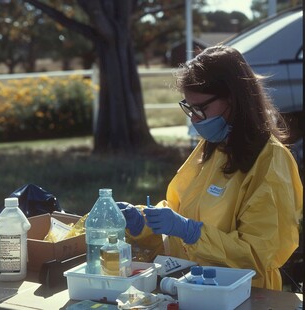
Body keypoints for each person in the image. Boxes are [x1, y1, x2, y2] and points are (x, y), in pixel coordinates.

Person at [117, 45, 302, 291]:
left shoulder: (271, 162)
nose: (194, 119)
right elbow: (179, 210)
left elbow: (258, 256)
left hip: (246, 296)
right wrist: (143, 222)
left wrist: (192, 232)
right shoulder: (213, 145)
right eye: (189, 108)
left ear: (234, 99)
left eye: (201, 109)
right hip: (193, 287)